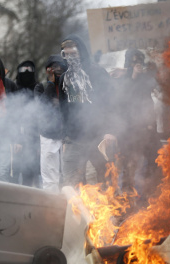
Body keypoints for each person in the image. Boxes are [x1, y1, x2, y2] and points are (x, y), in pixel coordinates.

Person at [59, 34, 116, 188]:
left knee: (101, 180)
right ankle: (75, 211)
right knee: (71, 182)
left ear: (81, 52)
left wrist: (109, 130)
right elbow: (64, 109)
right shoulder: (64, 78)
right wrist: (64, 135)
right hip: (73, 138)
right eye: (66, 54)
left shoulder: (98, 73)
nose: (70, 58)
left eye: (74, 54)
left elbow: (110, 103)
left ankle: (105, 211)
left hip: (97, 137)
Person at [111, 48, 162, 205]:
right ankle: (126, 201)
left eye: (138, 61)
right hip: (129, 132)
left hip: (148, 128)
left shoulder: (145, 78)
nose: (136, 64)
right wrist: (131, 75)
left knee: (153, 163)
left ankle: (151, 197)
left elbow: (155, 82)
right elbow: (122, 100)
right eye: (132, 62)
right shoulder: (121, 80)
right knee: (128, 167)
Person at [35, 55, 67, 192]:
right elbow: (42, 106)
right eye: (53, 68)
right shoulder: (41, 87)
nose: (57, 70)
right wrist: (50, 84)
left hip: (67, 135)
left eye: (60, 67)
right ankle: (51, 207)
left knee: (69, 176)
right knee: (50, 177)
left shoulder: (69, 85)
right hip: (49, 136)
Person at [13, 60, 40, 187]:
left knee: (31, 169)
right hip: (16, 135)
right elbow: (12, 116)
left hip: (34, 136)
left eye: (30, 69)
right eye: (24, 70)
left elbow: (43, 115)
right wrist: (17, 138)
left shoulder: (38, 88)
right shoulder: (14, 89)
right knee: (15, 169)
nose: (27, 72)